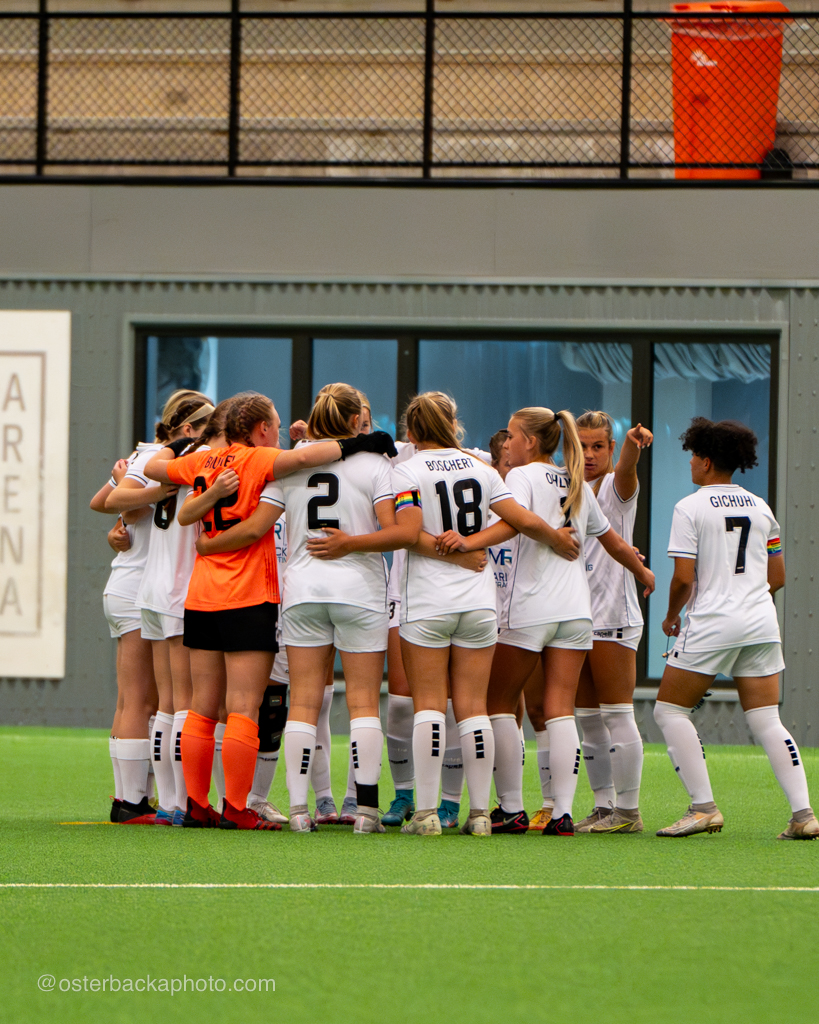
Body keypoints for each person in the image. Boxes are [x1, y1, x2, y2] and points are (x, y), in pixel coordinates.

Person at [145, 390, 397, 831]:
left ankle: (197, 804)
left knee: (201, 706)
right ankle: (239, 807)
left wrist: (183, 446)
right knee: (245, 707)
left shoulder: (202, 461)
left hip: (202, 594)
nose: (281, 434)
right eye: (276, 426)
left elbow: (153, 468)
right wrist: (363, 440)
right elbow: (311, 460)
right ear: (260, 430)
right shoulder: (263, 460)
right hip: (249, 594)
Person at [438, 407, 654, 836]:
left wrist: (467, 541)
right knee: (561, 710)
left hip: (531, 609)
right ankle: (563, 815)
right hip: (576, 612)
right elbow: (613, 542)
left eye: (512, 436)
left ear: (530, 442)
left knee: (498, 704)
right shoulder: (574, 481)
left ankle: (511, 809)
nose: (507, 444)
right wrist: (643, 572)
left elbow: (513, 524)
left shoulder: (522, 476)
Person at [389, 393, 581, 837]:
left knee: (429, 706)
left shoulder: (408, 470)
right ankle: (479, 815)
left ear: (412, 432)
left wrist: (451, 548)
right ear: (453, 424)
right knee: (475, 708)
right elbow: (518, 521)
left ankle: (426, 813)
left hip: (428, 601)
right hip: (478, 602)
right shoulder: (483, 469)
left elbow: (407, 532)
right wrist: (548, 538)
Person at [654, 417, 817, 840]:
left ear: (707, 461)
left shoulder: (689, 507)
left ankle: (703, 808)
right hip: (761, 622)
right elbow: (777, 577)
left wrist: (671, 616)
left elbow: (683, 578)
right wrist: (747, 602)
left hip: (712, 623)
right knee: (766, 718)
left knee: (669, 711)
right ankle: (804, 815)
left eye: (694, 455)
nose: (691, 463)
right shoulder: (761, 507)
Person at [134, 392, 214, 824]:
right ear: (191, 429)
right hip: (180, 591)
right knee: (185, 702)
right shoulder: (199, 460)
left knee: (167, 704)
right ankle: (182, 801)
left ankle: (169, 802)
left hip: (153, 589)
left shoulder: (166, 459)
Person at [573, 413, 653, 834]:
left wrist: (632, 445)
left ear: (610, 448)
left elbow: (626, 470)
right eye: (582, 446)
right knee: (588, 717)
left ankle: (628, 811)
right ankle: (603, 807)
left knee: (617, 714)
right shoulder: (566, 488)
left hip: (614, 616)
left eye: (598, 446)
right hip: (576, 615)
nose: (589, 455)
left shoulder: (614, 487)